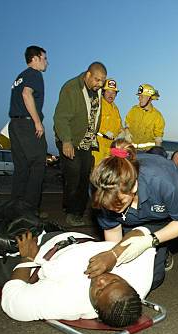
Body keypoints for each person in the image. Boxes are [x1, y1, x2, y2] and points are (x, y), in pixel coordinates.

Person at [88, 141, 178, 312]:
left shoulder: (160, 178)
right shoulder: (100, 188)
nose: (113, 209)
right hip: (145, 218)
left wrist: (150, 241)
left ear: (134, 186)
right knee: (152, 279)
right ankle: (163, 251)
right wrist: (114, 258)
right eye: (109, 207)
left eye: (119, 203)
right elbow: (113, 231)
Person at [0, 229, 154, 327]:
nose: (101, 280)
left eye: (99, 291)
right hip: (74, 237)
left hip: (42, 249)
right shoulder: (140, 278)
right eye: (113, 281)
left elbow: (13, 302)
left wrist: (27, 258)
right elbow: (143, 233)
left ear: (95, 309)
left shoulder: (68, 301)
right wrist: (114, 254)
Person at [54, 62, 107, 227]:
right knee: (74, 176)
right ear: (88, 75)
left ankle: (77, 211)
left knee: (85, 178)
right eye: (97, 80)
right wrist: (66, 141)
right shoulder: (71, 88)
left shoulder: (96, 91)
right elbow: (60, 117)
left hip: (86, 142)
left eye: (102, 81)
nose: (100, 84)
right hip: (70, 140)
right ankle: (71, 213)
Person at [8, 46, 48, 211]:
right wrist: (37, 122)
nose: (47, 62)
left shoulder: (20, 76)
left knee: (22, 168)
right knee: (38, 165)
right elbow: (26, 94)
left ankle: (16, 208)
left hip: (15, 125)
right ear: (36, 58)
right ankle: (31, 210)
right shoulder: (34, 74)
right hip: (27, 125)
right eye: (44, 58)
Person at [93, 78, 126, 167]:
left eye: (113, 93)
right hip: (99, 144)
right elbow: (92, 123)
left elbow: (119, 125)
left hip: (111, 147)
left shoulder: (115, 108)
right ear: (103, 92)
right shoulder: (98, 104)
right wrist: (104, 131)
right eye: (108, 92)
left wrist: (123, 132)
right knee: (97, 170)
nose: (111, 95)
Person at [124, 84, 164, 151]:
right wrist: (127, 132)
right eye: (139, 96)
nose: (139, 99)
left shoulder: (157, 116)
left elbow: (158, 139)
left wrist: (157, 153)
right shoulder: (133, 110)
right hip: (130, 150)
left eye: (141, 96)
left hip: (146, 153)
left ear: (149, 98)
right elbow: (127, 124)